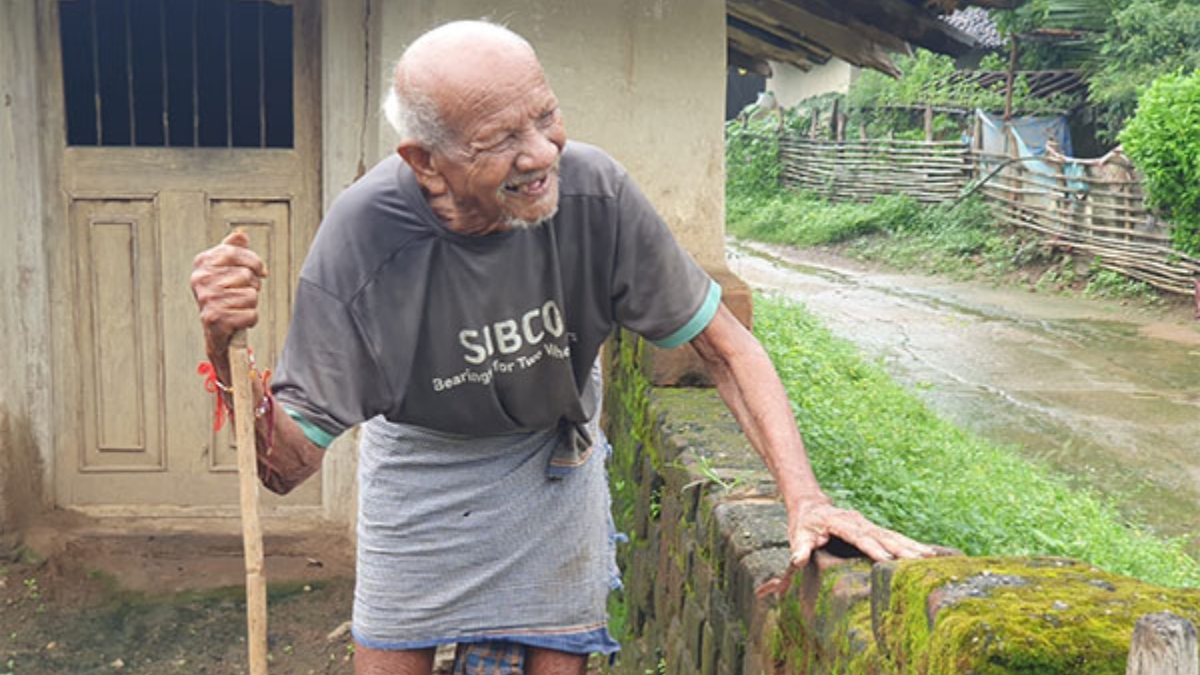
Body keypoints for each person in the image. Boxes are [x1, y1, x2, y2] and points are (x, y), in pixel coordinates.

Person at [189, 20, 935, 675]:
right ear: (425, 162)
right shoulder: (364, 239)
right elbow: (284, 466)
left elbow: (727, 349)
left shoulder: (594, 195)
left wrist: (804, 498)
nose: (542, 151)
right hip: (418, 465)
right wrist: (222, 345)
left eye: (545, 115)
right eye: (500, 140)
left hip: (550, 460)